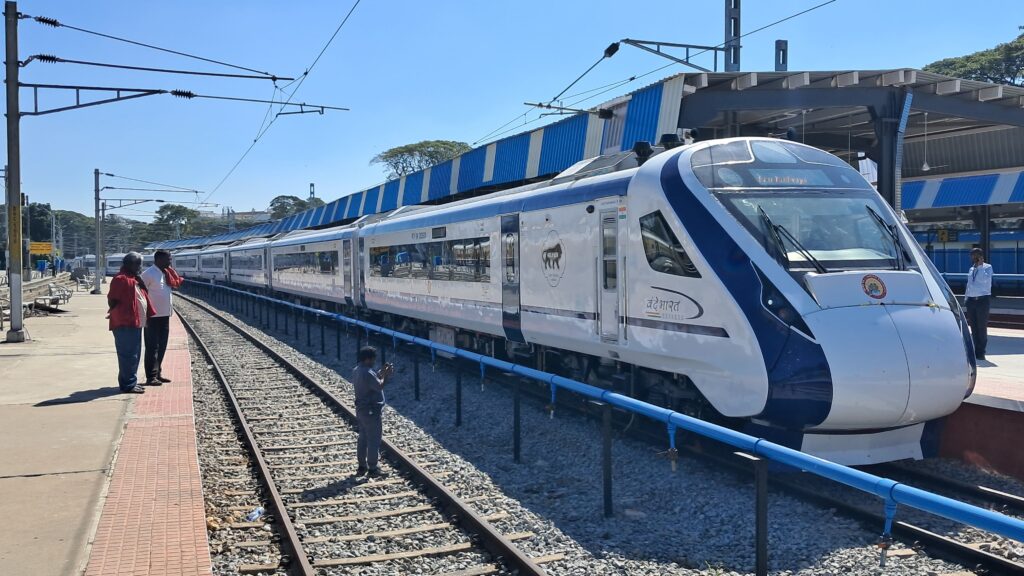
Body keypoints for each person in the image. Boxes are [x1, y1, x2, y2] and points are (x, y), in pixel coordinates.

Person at [107, 252, 155, 394]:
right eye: (138, 264)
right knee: (128, 355)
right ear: (130, 264)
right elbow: (112, 300)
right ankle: (128, 385)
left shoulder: (133, 278)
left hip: (135, 323)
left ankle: (130, 382)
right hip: (125, 323)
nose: (140, 267)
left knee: (134, 355)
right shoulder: (121, 279)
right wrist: (119, 311)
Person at [141, 250, 183, 386]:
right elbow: (141, 292)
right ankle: (151, 376)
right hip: (152, 317)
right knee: (152, 347)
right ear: (158, 260)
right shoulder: (148, 274)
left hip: (164, 316)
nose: (170, 262)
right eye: (168, 259)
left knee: (162, 346)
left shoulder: (166, 273)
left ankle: (158, 373)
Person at [352, 346, 394, 478]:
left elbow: (373, 379)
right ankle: (373, 468)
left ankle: (361, 466)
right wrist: (386, 376)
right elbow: (379, 385)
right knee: (374, 440)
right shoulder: (368, 373)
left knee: (363, 438)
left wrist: (381, 372)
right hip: (371, 411)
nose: (374, 361)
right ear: (368, 359)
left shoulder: (357, 370)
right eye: (373, 359)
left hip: (361, 410)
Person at [965, 247, 993, 360]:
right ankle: (976, 350)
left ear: (980, 256)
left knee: (981, 327)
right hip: (971, 301)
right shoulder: (972, 269)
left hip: (982, 300)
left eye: (975, 256)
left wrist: (980, 267)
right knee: (974, 327)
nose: (973, 258)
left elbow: (985, 281)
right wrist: (966, 298)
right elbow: (969, 284)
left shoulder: (987, 267)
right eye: (972, 256)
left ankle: (981, 351)